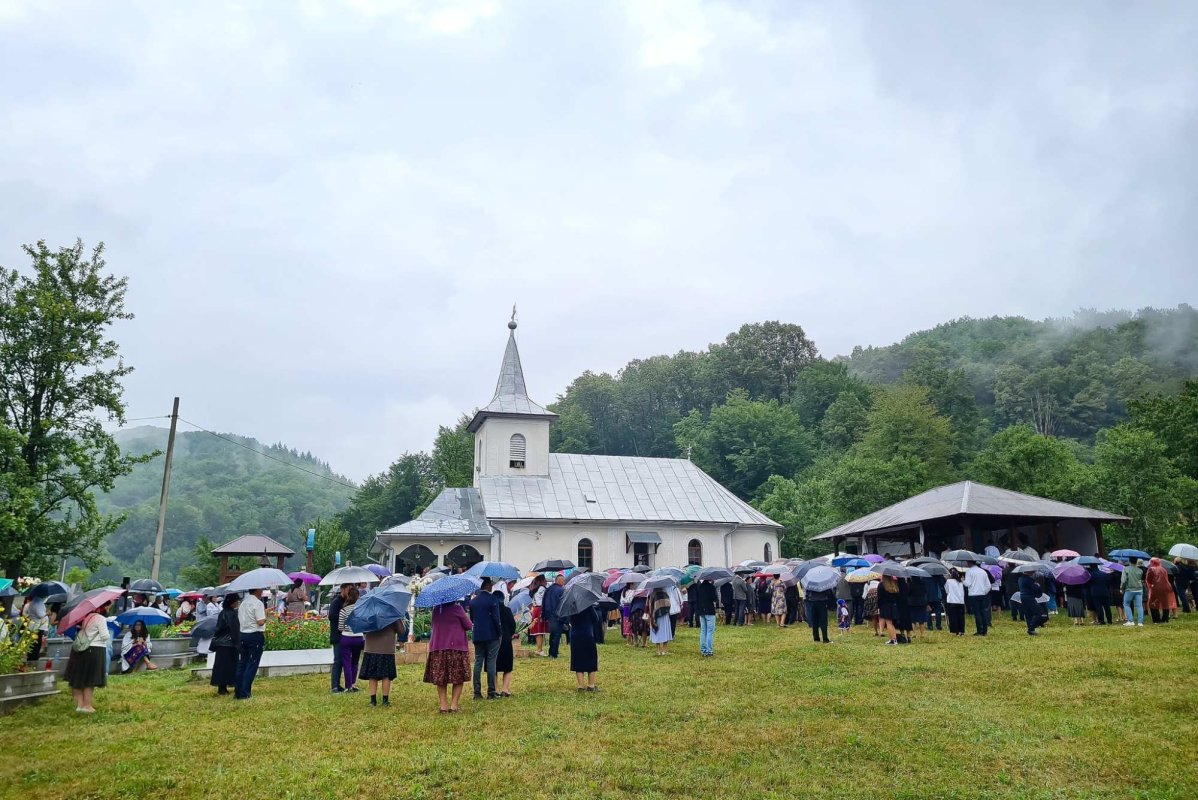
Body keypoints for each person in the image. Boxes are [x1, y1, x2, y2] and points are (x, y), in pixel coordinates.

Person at [64, 599, 114, 713]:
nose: (108, 609)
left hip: (83, 650)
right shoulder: (100, 618)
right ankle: (87, 706)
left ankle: (80, 705)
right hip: (96, 649)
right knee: (90, 679)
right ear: (102, 607)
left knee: (81, 677)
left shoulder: (85, 617)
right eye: (107, 607)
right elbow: (105, 636)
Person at [423, 601, 473, 713]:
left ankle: (443, 706)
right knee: (459, 677)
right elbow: (468, 626)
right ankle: (454, 706)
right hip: (456, 647)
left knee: (441, 678)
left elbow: (434, 625)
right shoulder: (457, 609)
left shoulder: (436, 610)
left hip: (438, 647)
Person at [360, 617, 405, 708]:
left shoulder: (370, 612)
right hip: (386, 648)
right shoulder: (392, 613)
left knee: (372, 674)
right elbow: (401, 631)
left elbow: (364, 630)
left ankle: (373, 701)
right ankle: (385, 700)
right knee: (386, 674)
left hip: (371, 647)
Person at [469, 578, 502, 700]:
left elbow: (472, 619)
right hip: (492, 634)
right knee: (491, 661)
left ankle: (477, 692)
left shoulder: (473, 602)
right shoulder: (493, 599)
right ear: (488, 585)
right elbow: (496, 619)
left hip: (478, 634)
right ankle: (491, 692)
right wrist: (499, 633)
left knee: (478, 661)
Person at [234, 587, 266, 700]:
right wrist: (266, 617)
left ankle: (238, 691)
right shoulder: (258, 603)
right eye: (261, 590)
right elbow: (260, 621)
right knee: (252, 664)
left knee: (242, 663)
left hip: (243, 635)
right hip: (254, 635)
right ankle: (245, 692)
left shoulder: (243, 603)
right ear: (256, 590)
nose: (262, 592)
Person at [209, 593, 241, 695]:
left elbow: (218, 628)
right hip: (230, 644)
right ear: (232, 603)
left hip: (221, 644)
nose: (237, 603)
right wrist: (238, 644)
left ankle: (221, 687)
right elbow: (235, 630)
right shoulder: (232, 614)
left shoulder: (223, 612)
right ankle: (224, 687)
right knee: (229, 666)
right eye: (236, 601)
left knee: (221, 666)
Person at [338, 586, 365, 692]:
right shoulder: (361, 610)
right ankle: (353, 683)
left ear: (348, 596)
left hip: (346, 637)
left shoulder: (344, 610)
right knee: (355, 662)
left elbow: (340, 627)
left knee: (346, 662)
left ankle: (348, 686)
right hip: (358, 637)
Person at [570, 605, 600, 691]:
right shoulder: (588, 606)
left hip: (575, 635)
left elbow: (570, 621)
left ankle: (580, 685)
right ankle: (591, 685)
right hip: (587, 634)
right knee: (591, 659)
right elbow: (596, 619)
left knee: (577, 659)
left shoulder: (571, 608)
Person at [495, 590, 517, 697]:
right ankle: (505, 689)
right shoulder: (507, 610)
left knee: (493, 666)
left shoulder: (491, 611)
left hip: (493, 640)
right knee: (507, 666)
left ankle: (495, 689)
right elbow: (513, 625)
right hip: (506, 640)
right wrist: (510, 634)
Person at [690, 577, 718, 657]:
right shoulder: (711, 587)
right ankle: (709, 650)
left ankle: (703, 650)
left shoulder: (699, 587)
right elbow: (714, 599)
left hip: (701, 611)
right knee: (710, 631)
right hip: (710, 610)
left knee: (703, 631)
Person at [964, 559, 992, 636]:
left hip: (973, 595)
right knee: (983, 612)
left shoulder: (969, 572)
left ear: (969, 563)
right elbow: (988, 585)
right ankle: (985, 630)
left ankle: (979, 630)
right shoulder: (983, 571)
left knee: (977, 613)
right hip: (982, 594)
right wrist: (984, 592)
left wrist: (963, 580)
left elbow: (967, 584)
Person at [328, 584, 348, 693]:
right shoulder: (336, 602)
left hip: (346, 634)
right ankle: (334, 685)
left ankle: (341, 684)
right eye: (348, 589)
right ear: (343, 589)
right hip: (337, 635)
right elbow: (331, 616)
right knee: (338, 661)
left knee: (344, 661)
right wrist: (343, 617)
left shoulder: (348, 602)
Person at [1145, 557, 1176, 624]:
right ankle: (1165, 619)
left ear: (1152, 562)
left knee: (1153, 603)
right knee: (1165, 603)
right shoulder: (1164, 569)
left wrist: (1150, 586)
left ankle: (1156, 619)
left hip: (1156, 588)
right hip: (1166, 587)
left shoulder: (1151, 569)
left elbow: (1148, 579)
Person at [543, 575, 566, 659]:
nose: (564, 583)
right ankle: (554, 653)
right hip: (558, 615)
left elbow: (544, 602)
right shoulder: (562, 590)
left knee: (552, 634)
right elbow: (563, 604)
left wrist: (544, 615)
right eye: (563, 581)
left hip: (549, 616)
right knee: (557, 635)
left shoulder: (548, 590)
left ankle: (550, 652)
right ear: (559, 581)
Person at [21, 596, 49, 661]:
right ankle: (33, 660)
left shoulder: (31, 603)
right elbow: (40, 615)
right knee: (36, 646)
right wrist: (47, 613)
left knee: (32, 645)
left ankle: (30, 659)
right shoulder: (38, 603)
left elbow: (25, 614)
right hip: (37, 627)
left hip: (31, 626)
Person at [877, 576, 902, 645]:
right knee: (891, 623)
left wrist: (878, 606)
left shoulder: (881, 585)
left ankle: (893, 639)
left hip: (885, 606)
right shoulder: (894, 584)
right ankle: (893, 639)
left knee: (889, 623)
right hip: (894, 605)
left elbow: (879, 597)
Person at [1121, 558, 1145, 627]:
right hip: (1139, 589)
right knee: (1139, 605)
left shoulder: (1126, 569)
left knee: (1126, 604)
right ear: (1136, 561)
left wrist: (1122, 588)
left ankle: (1130, 621)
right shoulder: (1140, 570)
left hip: (1130, 589)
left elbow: (1123, 580)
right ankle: (1140, 622)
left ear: (1129, 561)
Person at [649, 588, 673, 655]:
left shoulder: (652, 594)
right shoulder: (664, 593)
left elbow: (650, 605)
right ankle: (664, 650)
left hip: (655, 616)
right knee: (665, 631)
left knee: (657, 632)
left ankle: (657, 650)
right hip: (664, 615)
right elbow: (668, 604)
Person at [529, 576, 548, 656]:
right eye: (545, 580)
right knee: (540, 630)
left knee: (538, 630)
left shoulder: (534, 589)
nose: (546, 581)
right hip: (540, 609)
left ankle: (539, 649)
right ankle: (540, 650)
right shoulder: (542, 589)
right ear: (542, 581)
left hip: (535, 609)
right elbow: (545, 600)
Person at [944, 569, 966, 636]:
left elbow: (946, 590)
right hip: (961, 601)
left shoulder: (949, 581)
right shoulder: (961, 582)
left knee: (953, 617)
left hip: (952, 601)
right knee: (961, 617)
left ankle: (956, 631)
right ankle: (961, 631)